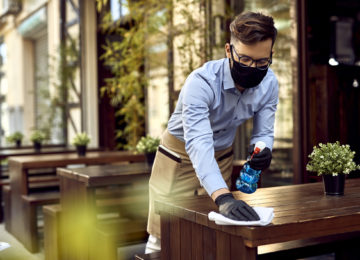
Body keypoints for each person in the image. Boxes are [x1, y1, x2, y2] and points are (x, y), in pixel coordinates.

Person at [145, 11, 278, 253]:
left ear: (270, 55)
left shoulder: (269, 82)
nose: (253, 68)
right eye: (245, 60)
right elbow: (198, 143)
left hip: (222, 156)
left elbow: (264, 131)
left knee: (214, 235)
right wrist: (224, 197)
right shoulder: (201, 82)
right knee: (163, 236)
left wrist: (263, 149)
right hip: (179, 158)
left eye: (261, 62)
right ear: (229, 50)